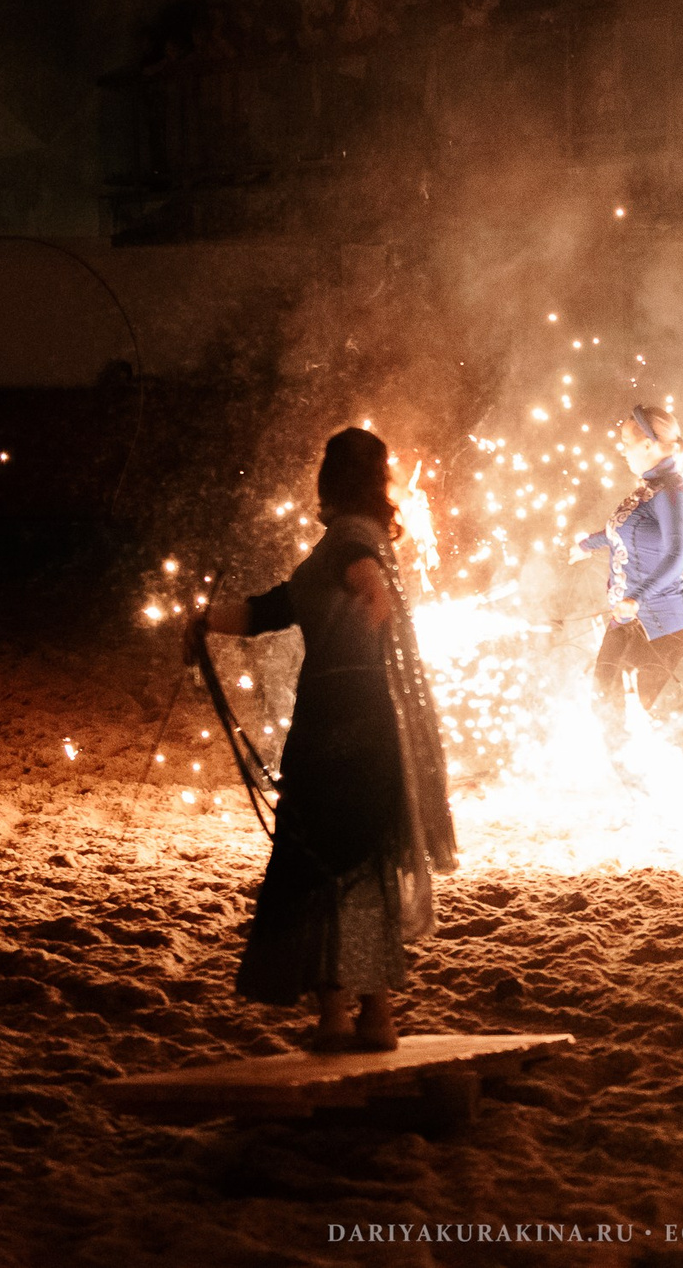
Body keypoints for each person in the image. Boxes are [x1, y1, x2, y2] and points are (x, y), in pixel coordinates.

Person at [194, 428, 457, 1052]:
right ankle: (366, 1015)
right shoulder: (343, 545)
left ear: (331, 478)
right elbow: (273, 609)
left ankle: (348, 1014)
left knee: (327, 855)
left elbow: (365, 579)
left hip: (345, 718)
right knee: (351, 856)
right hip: (350, 714)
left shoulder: (348, 543)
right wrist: (206, 621)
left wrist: (372, 597)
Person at [569, 405, 683, 785]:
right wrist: (588, 543)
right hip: (625, 620)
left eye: (627, 442)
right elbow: (621, 531)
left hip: (661, 626)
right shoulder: (646, 490)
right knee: (604, 701)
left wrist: (639, 596)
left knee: (636, 714)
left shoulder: (672, 494)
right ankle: (632, 785)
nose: (621, 449)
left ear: (650, 445)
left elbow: (678, 554)